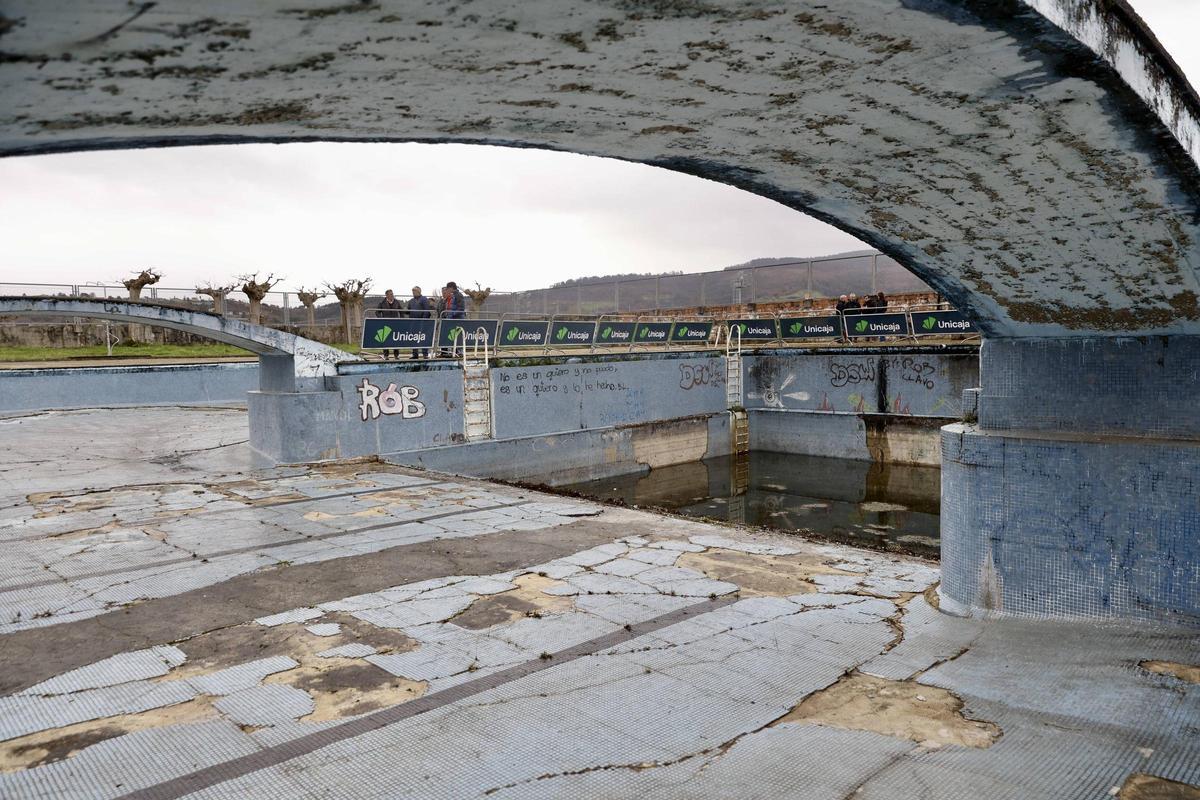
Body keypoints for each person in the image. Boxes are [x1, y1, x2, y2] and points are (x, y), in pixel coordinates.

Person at [406, 286, 433, 360]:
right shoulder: (411, 301)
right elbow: (408, 310)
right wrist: (405, 311)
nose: (413, 293)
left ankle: (425, 354)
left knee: (423, 337)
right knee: (414, 338)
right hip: (413, 322)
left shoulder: (424, 299)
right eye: (412, 292)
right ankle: (415, 354)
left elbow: (426, 310)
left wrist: (423, 320)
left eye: (414, 291)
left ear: (419, 291)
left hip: (422, 322)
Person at [376, 289, 404, 360]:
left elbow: (401, 311)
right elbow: (377, 312)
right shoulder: (382, 303)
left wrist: (401, 319)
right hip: (386, 323)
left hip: (395, 323)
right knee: (385, 339)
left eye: (392, 294)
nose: (392, 295)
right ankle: (386, 355)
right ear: (386, 295)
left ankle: (396, 355)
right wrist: (381, 319)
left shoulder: (396, 302)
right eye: (390, 294)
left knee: (396, 339)